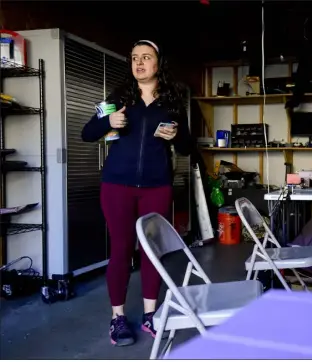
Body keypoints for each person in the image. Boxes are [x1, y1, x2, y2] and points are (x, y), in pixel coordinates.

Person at [81, 40, 194, 347]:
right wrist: (108, 121)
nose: (139, 63)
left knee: (151, 252)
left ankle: (149, 314)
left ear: (159, 63)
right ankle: (118, 318)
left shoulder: (172, 101)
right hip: (117, 185)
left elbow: (187, 147)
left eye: (146, 57)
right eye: (134, 58)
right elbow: (87, 133)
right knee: (120, 249)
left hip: (157, 186)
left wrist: (177, 135)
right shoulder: (119, 97)